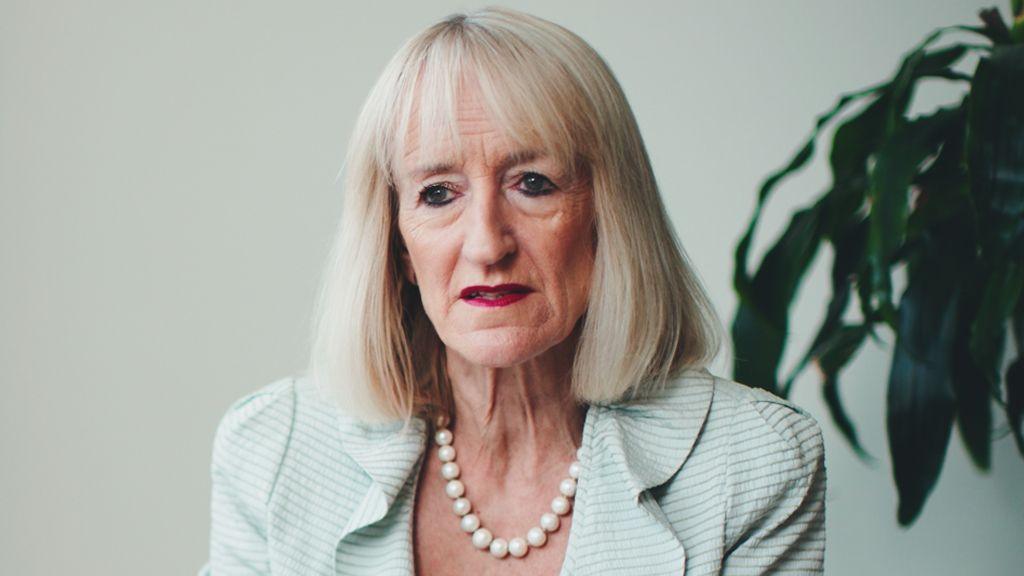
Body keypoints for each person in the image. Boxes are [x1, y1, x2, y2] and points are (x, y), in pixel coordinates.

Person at [199, 7, 826, 575]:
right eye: (438, 193)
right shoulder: (271, 449)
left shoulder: (755, 465)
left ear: (608, 218)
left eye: (533, 182)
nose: (486, 244)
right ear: (399, 247)